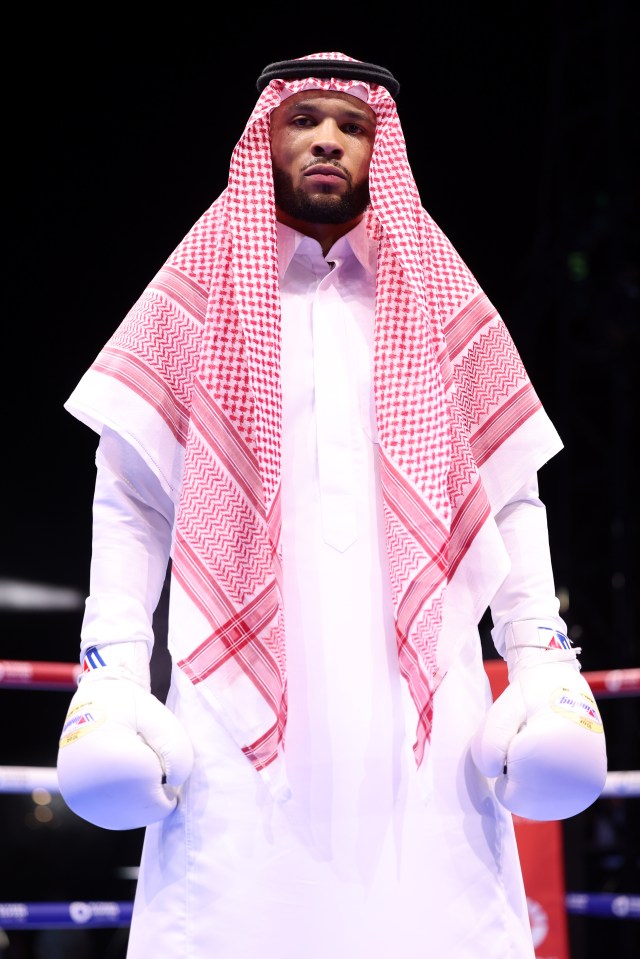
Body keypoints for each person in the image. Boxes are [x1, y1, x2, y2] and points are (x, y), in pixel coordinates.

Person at [57, 52, 607, 958]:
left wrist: (542, 657)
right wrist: (112, 672)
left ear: (377, 146)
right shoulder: (197, 294)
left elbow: (510, 496)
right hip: (242, 706)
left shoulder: (437, 295)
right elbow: (130, 494)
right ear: (264, 136)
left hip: (422, 701)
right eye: (304, 118)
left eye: (351, 126)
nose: (327, 140)